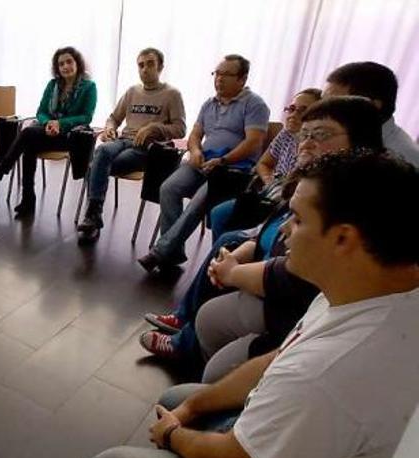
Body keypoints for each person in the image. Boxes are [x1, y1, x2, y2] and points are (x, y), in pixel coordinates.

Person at [0, 148, 419, 458]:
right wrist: (192, 409)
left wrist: (173, 436)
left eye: (299, 218)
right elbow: (276, 359)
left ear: (344, 238)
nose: (285, 231)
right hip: (283, 441)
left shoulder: (334, 370)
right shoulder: (362, 292)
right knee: (181, 397)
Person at [139, 96, 385, 379]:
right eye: (304, 132)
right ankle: (183, 309)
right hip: (256, 192)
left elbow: (292, 273)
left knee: (215, 215)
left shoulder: (344, 197)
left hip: (284, 298)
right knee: (202, 215)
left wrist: (232, 272)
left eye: (320, 134)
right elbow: (268, 190)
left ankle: (172, 271)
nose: (305, 142)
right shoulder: (308, 176)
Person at [138, 54, 269, 272]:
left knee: (198, 202)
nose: (219, 79)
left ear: (242, 79)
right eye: (217, 73)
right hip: (203, 162)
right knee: (168, 189)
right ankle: (173, 254)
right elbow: (195, 135)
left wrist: (223, 160)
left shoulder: (255, 104)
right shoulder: (209, 104)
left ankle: (161, 252)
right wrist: (196, 150)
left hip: (232, 169)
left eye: (226, 74)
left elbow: (254, 142)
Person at [76, 48, 186, 240]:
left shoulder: (172, 94)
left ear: (160, 67)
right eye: (141, 65)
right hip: (123, 139)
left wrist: (154, 128)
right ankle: (94, 214)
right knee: (101, 151)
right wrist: (109, 128)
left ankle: (92, 216)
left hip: (146, 149)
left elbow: (180, 129)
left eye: (150, 64)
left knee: (96, 167)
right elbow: (113, 118)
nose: (145, 69)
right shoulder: (132, 91)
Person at [0, 47, 97, 218]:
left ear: (77, 63)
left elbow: (86, 117)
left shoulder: (89, 87)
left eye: (69, 62)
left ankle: (2, 172)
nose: (65, 67)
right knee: (29, 145)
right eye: (61, 64)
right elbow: (41, 111)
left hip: (70, 136)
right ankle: (28, 198)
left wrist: (60, 123)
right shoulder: (53, 85)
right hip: (48, 131)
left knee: (27, 134)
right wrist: (48, 123)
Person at [207, 88, 322, 240]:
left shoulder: (316, 146)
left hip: (288, 204)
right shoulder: (285, 134)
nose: (293, 115)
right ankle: (224, 254)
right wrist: (269, 181)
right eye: (292, 109)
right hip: (270, 192)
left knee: (229, 235)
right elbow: (264, 163)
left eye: (302, 111)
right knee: (218, 213)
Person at [324, 61, 419, 168]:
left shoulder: (404, 159)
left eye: (335, 103)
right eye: (322, 101)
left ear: (371, 106)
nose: (322, 110)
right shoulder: (340, 137)